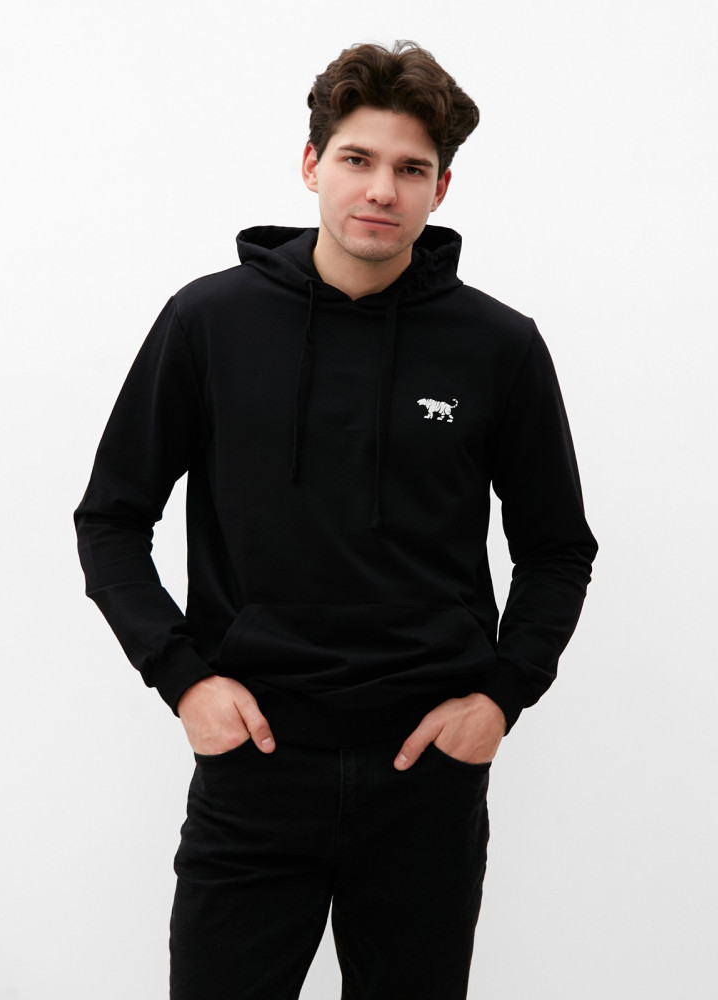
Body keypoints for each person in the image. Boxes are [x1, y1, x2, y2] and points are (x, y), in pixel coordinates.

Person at [74, 40, 597, 1000]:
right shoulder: (209, 323)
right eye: (358, 159)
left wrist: (501, 698)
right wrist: (184, 680)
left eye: (411, 169)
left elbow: (558, 548)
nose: (381, 190)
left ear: (441, 189)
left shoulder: (498, 346)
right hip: (256, 765)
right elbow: (110, 519)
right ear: (312, 164)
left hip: (426, 777)